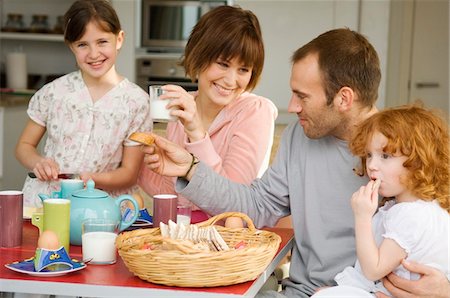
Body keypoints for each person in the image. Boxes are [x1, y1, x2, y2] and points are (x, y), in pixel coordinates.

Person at [141, 28, 450, 297]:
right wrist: (190, 168)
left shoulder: (409, 152)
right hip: (302, 292)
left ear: (343, 99)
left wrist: (445, 289)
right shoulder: (298, 137)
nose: (291, 107)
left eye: (302, 96)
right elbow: (255, 204)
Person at [137, 5, 277, 225]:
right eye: (223, 64)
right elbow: (175, 196)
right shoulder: (184, 105)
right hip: (179, 235)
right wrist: (141, 159)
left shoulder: (256, 111)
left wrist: (196, 132)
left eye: (243, 69)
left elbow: (233, 203)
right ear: (199, 55)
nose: (231, 81)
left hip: (225, 241)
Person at [15, 0, 152, 210]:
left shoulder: (137, 102)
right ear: (71, 46)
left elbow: (129, 173)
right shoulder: (53, 92)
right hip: (45, 204)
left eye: (102, 42)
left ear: (119, 39)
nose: (94, 54)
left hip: (100, 207)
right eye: (82, 45)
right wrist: (37, 162)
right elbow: (24, 146)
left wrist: (87, 179)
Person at [319, 104, 449, 296]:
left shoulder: (411, 215)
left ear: (418, 162)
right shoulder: (420, 207)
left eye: (385, 156)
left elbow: (373, 270)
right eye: (369, 155)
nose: (371, 165)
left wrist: (362, 217)